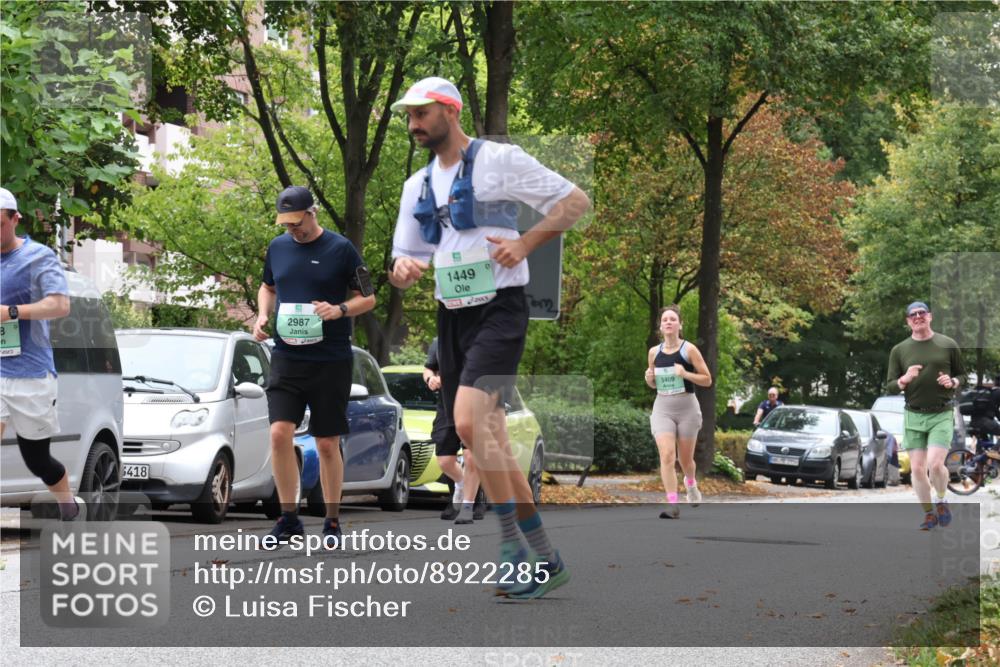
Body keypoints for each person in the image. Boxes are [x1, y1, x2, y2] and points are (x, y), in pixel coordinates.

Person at [388, 76, 590, 599]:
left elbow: (575, 202)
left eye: (422, 114)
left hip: (500, 310)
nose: (413, 125)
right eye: (409, 116)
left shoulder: (500, 162)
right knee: (491, 440)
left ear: (450, 112)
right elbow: (402, 259)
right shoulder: (417, 186)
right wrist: (404, 270)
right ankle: (546, 558)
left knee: (469, 422)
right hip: (451, 316)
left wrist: (524, 244)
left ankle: (510, 548)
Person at [252, 186, 375, 546]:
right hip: (288, 357)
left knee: (325, 442)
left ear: (312, 212)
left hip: (330, 359)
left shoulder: (341, 249)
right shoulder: (278, 247)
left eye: (297, 223)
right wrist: (262, 315)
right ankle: (288, 518)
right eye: (286, 224)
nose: (293, 230)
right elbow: (267, 287)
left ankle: (332, 520)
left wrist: (339, 310)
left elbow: (368, 297)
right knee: (279, 434)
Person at [0, 187, 83, 521]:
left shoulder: (38, 257)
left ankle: (67, 504)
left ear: (15, 219)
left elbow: (60, 305)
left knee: (37, 460)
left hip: (30, 374)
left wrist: (12, 312)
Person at [885, 301, 965, 530]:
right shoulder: (899, 350)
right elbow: (891, 386)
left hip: (941, 413)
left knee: (935, 463)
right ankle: (929, 513)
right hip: (913, 414)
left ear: (930, 316)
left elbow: (963, 375)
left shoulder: (947, 344)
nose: (918, 317)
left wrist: (953, 381)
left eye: (922, 313)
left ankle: (941, 499)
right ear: (908, 321)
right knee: (918, 468)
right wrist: (904, 379)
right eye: (913, 315)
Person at [644, 305, 713, 519]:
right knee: (666, 455)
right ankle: (672, 504)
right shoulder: (654, 352)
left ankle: (690, 484)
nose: (668, 322)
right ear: (660, 326)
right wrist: (649, 380)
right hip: (663, 407)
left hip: (687, 408)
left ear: (679, 325)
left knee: (685, 461)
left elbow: (707, 379)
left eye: (673, 319)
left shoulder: (689, 349)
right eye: (665, 319)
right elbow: (654, 384)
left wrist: (685, 373)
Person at [424, 337, 485, 523]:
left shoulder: (481, 340)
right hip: (446, 408)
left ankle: (468, 505)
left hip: (474, 406)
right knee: (444, 461)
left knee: (471, 457)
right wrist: (430, 379)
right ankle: (461, 484)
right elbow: (428, 368)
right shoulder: (439, 341)